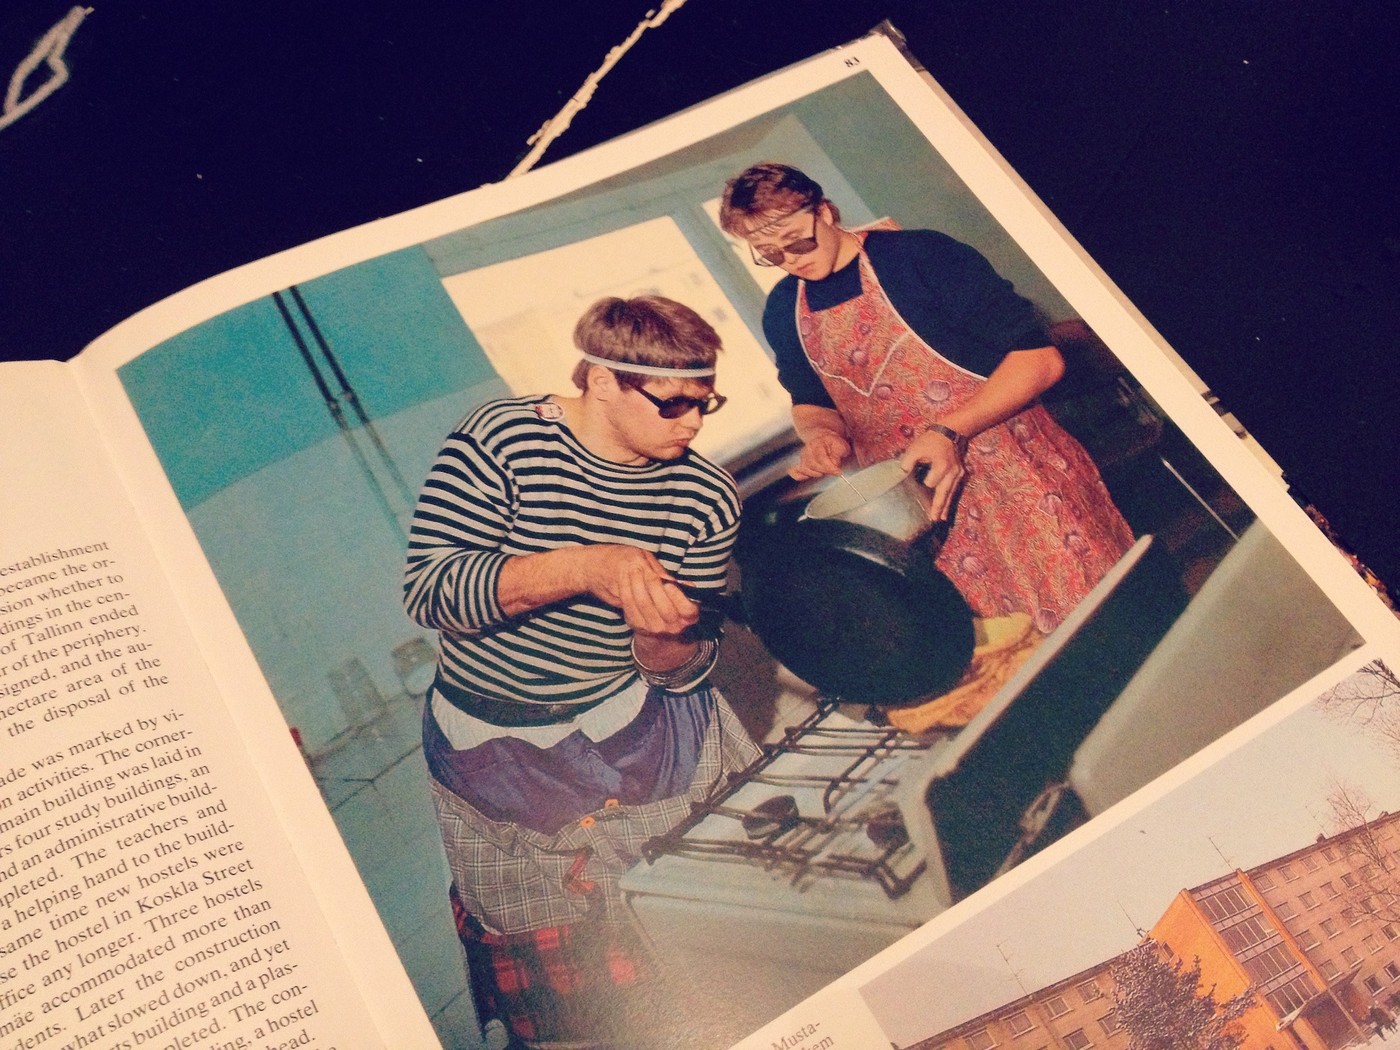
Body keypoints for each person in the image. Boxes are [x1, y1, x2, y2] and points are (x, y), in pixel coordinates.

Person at [403, 295, 760, 1048]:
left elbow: (681, 674)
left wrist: (662, 641)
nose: (695, 423)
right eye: (673, 403)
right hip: (489, 745)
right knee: (565, 991)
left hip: (641, 726)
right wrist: (585, 566)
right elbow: (431, 592)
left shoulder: (705, 496)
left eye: (707, 402)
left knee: (716, 920)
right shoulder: (501, 440)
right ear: (600, 381)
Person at [720, 162, 1135, 633]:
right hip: (916, 511)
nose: (790, 261)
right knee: (1001, 644)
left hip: (1014, 475)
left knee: (1096, 620)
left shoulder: (920, 257)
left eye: (797, 242)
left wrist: (947, 431)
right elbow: (811, 400)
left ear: (826, 212)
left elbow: (1039, 361)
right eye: (770, 254)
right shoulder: (783, 309)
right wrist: (821, 436)